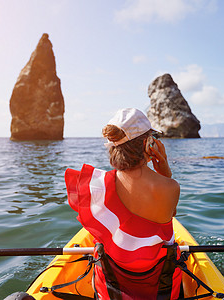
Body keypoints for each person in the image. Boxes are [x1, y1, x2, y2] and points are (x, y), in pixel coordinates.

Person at [65, 108, 181, 299]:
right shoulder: (170, 188)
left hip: (110, 285)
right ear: (147, 144)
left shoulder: (97, 185)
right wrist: (165, 170)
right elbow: (171, 213)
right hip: (158, 285)